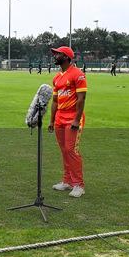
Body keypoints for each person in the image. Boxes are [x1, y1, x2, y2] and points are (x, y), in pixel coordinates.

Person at [48, 46, 87, 198]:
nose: (55, 56)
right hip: (59, 118)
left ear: (66, 56)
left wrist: (77, 119)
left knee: (71, 150)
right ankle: (67, 181)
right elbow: (55, 101)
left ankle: (79, 185)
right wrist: (51, 121)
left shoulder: (78, 74)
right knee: (64, 150)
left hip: (72, 118)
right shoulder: (56, 77)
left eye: (57, 54)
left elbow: (81, 98)